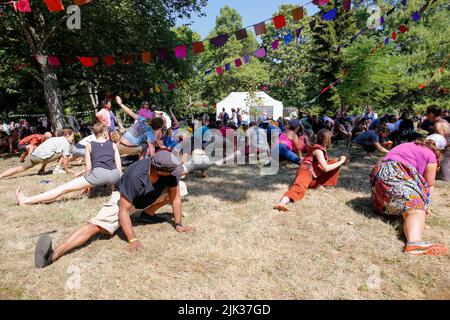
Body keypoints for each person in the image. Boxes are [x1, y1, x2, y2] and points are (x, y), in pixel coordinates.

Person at [33, 151, 194, 268]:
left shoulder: (170, 172)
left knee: (181, 187)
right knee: (97, 226)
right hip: (125, 199)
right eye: (172, 172)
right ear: (158, 169)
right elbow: (123, 210)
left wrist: (178, 224)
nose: (177, 173)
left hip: (147, 197)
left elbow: (175, 198)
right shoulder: (135, 175)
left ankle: (147, 214)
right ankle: (52, 256)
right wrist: (133, 239)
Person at [370, 135, 448, 256]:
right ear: (439, 149)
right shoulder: (431, 155)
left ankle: (395, 211)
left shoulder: (407, 145)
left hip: (379, 175)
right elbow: (429, 185)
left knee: (405, 203)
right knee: (416, 208)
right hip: (396, 172)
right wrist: (424, 206)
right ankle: (414, 242)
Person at [15, 123, 122, 206]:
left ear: (94, 133)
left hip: (97, 175)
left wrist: (87, 184)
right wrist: (116, 184)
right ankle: (114, 196)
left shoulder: (89, 145)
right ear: (104, 132)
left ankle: (27, 200)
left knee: (63, 189)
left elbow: (88, 168)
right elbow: (119, 166)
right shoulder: (113, 145)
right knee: (114, 183)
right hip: (114, 175)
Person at [274, 129, 348, 212]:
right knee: (299, 187)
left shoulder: (321, 147)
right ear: (327, 140)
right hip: (305, 172)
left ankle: (318, 185)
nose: (331, 141)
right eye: (330, 139)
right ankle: (282, 203)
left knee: (334, 161)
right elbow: (326, 168)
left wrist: (339, 159)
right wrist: (341, 161)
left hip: (312, 174)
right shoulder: (318, 150)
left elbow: (324, 163)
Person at [0, 129, 74, 179]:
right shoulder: (65, 142)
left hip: (33, 156)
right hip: (41, 158)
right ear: (68, 135)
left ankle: (1, 175)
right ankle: (57, 170)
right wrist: (67, 170)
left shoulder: (53, 139)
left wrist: (42, 168)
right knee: (64, 153)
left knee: (19, 169)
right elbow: (65, 158)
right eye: (72, 136)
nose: (73, 138)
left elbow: (47, 151)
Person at [426, 105, 450, 181]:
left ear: (432, 114)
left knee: (445, 169)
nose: (427, 116)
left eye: (427, 114)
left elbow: (441, 141)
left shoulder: (437, 125)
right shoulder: (445, 121)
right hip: (448, 147)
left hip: (446, 149)